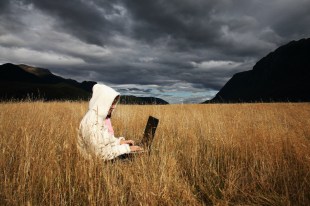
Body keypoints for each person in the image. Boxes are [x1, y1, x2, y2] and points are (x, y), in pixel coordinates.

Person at [77, 83, 143, 161]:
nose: (114, 106)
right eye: (111, 103)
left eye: (115, 103)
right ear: (102, 102)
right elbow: (100, 154)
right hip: (97, 165)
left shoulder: (99, 118)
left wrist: (121, 142)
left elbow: (106, 140)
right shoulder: (92, 122)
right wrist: (127, 149)